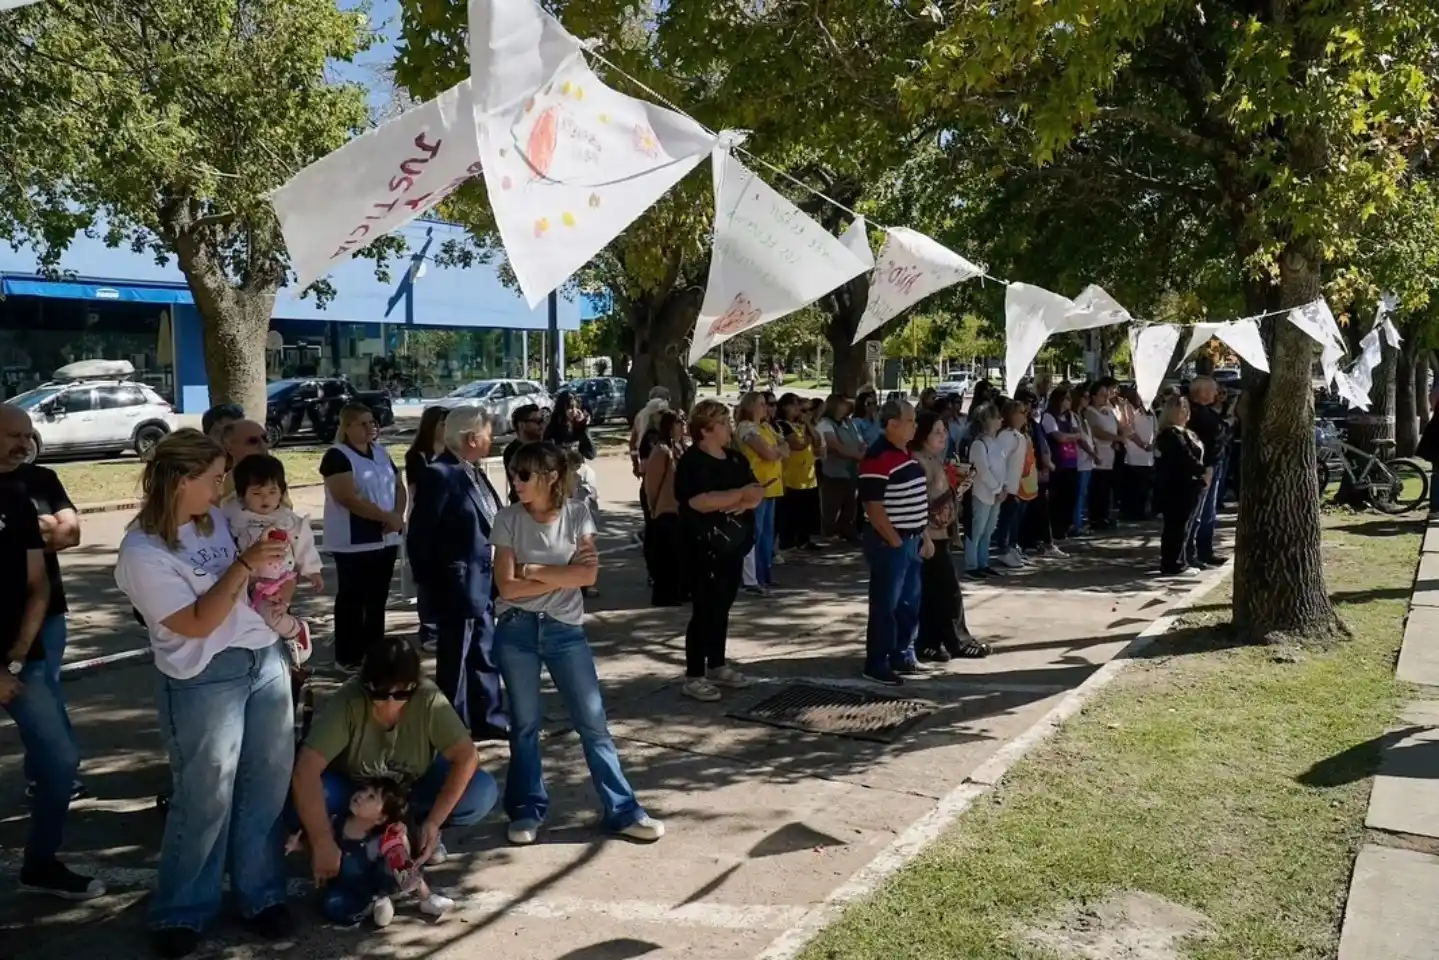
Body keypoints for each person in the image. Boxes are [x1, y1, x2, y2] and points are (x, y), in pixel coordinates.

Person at [115, 429, 294, 958]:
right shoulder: (142, 551)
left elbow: (250, 585)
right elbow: (196, 623)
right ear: (180, 480)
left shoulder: (212, 518)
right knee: (205, 795)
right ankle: (182, 910)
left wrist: (277, 584)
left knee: (265, 786)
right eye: (215, 479)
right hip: (203, 675)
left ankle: (261, 895)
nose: (222, 491)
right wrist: (244, 565)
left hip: (263, 657)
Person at [492, 441, 664, 844]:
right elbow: (506, 587)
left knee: (593, 722)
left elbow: (587, 576)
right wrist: (560, 575)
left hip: (564, 631)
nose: (515, 481)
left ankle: (623, 811)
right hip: (515, 630)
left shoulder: (577, 514)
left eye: (524, 474)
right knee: (524, 726)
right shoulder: (506, 518)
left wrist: (532, 569)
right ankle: (526, 810)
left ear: (551, 477)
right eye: (513, 473)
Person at [289, 636, 497, 901]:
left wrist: (435, 821)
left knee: (480, 791)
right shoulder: (348, 701)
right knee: (300, 799)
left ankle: (416, 833)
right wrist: (322, 842)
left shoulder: (428, 697)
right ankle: (345, 839)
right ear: (365, 684)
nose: (390, 703)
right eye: (379, 693)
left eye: (401, 694)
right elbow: (306, 769)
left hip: (408, 792)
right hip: (356, 793)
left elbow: (466, 756)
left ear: (415, 685)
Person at [0, 441, 102, 902]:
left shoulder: (18, 498)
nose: (22, 444)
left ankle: (40, 863)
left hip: (22, 659)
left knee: (60, 763)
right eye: (10, 434)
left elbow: (38, 585)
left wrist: (15, 660)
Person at [0, 403, 87, 803]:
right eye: (13, 436)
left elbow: (71, 534)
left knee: (45, 694)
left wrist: (21, 538)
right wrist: (37, 533)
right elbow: (54, 532)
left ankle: (50, 776)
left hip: (46, 611)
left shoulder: (42, 479)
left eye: (28, 436)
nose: (24, 444)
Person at [407, 406, 509, 742]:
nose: (492, 439)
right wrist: (432, 586)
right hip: (456, 585)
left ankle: (488, 719)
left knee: (484, 651)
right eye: (488, 434)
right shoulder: (440, 474)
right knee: (456, 660)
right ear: (471, 438)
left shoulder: (473, 471)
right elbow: (420, 536)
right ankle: (453, 728)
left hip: (482, 581)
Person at [674, 400, 761, 702]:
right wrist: (737, 496)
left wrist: (743, 500)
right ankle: (694, 675)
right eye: (722, 423)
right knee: (705, 609)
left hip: (733, 544)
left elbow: (757, 490)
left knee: (723, 605)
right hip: (702, 546)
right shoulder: (692, 462)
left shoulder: (735, 458)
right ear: (706, 430)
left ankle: (717, 664)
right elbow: (700, 501)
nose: (728, 428)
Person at [321, 402, 406, 671]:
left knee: (377, 600)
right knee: (353, 601)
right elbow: (347, 497)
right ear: (347, 427)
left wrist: (397, 515)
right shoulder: (337, 456)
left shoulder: (380, 452)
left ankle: (374, 654)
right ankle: (348, 656)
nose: (371, 428)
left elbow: (398, 485)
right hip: (354, 541)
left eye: (373, 422)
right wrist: (386, 517)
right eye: (363, 423)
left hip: (386, 538)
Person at [857, 399, 930, 685]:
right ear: (892, 424)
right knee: (886, 604)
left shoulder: (905, 452)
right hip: (890, 542)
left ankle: (901, 653)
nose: (915, 425)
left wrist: (922, 535)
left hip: (911, 538)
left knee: (909, 602)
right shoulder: (878, 456)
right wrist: (894, 540)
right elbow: (872, 505)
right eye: (910, 420)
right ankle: (877, 662)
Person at [910, 411, 988, 661]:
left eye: (944, 430)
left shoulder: (934, 458)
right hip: (928, 536)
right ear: (923, 434)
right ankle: (956, 641)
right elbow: (918, 503)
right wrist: (924, 535)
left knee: (935, 591)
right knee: (946, 590)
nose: (943, 436)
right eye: (937, 431)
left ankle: (930, 642)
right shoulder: (918, 461)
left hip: (941, 534)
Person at [405, 405, 449, 652]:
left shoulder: (453, 453)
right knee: (427, 579)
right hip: (425, 525)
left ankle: (446, 626)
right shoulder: (417, 456)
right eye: (443, 423)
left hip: (450, 525)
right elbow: (415, 493)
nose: (447, 428)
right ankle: (430, 630)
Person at [735, 392, 784, 594]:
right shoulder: (747, 428)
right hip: (757, 485)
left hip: (772, 485)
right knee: (755, 533)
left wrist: (777, 450)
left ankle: (764, 574)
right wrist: (776, 451)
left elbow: (785, 448)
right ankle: (751, 578)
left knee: (767, 534)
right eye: (762, 404)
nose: (766, 408)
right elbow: (768, 453)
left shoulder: (767, 427)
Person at [1154, 395, 1208, 574]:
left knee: (1185, 525)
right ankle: (1173, 564)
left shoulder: (1187, 432)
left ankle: (1180, 559)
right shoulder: (1170, 434)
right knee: (1177, 525)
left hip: (1191, 484)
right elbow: (1183, 456)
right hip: (1178, 486)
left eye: (1186, 408)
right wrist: (1202, 470)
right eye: (1180, 408)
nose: (1185, 412)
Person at [643, 410, 688, 607]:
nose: (683, 425)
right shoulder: (661, 450)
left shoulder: (679, 447)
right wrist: (654, 508)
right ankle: (664, 594)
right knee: (665, 557)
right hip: (665, 510)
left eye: (684, 421)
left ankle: (679, 591)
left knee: (679, 555)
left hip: (680, 509)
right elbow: (652, 484)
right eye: (679, 422)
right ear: (669, 426)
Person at [1185, 376, 1230, 567]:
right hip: (1204, 467)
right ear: (1202, 392)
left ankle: (1205, 551)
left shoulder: (1208, 411)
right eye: (1213, 390)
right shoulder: (1193, 412)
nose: (1216, 393)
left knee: (1209, 512)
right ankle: (1190, 553)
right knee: (1197, 512)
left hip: (1215, 464)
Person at [775, 393, 822, 554]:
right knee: (791, 510)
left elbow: (817, 441)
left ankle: (804, 539)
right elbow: (799, 445)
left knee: (807, 510)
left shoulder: (801, 425)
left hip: (808, 474)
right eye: (793, 405)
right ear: (784, 407)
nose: (797, 409)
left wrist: (808, 424)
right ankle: (788, 541)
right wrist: (809, 428)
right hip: (792, 475)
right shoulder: (782, 425)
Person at [965, 403, 1005, 578]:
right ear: (987, 420)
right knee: (977, 529)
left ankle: (983, 562)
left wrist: (1002, 488)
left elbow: (1001, 467)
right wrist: (997, 488)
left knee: (988, 530)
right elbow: (983, 470)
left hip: (996, 494)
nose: (1001, 420)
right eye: (997, 417)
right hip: (982, 493)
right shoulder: (978, 444)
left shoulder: (995, 442)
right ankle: (971, 564)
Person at [816, 394, 863, 541]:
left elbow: (860, 441)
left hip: (851, 470)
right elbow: (834, 445)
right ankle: (829, 532)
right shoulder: (825, 423)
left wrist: (862, 451)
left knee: (850, 504)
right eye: (843, 404)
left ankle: (847, 530)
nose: (847, 407)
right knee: (831, 504)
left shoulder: (849, 422)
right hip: (834, 471)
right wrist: (856, 455)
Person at [991, 399, 1032, 568]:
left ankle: (1012, 547)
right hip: (1006, 486)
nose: (1024, 415)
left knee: (1014, 519)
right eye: (1020, 412)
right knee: (1006, 520)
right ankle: (1003, 550)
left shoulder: (1018, 436)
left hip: (1016, 486)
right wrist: (1004, 484)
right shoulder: (1007, 436)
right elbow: (999, 459)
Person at [1041, 387, 1081, 544]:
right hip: (1058, 463)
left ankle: (1065, 527)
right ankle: (1056, 529)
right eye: (1067, 398)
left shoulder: (1070, 416)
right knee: (1058, 498)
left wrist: (1071, 436)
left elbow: (1079, 433)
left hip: (1072, 461)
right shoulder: (1048, 417)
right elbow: (1059, 437)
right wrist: (1073, 436)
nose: (1070, 402)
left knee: (1070, 496)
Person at [1084, 379, 1122, 530]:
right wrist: (1117, 438)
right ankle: (1096, 518)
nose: (1106, 398)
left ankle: (1105, 516)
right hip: (1097, 455)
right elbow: (1097, 431)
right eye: (1102, 395)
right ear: (1093, 396)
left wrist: (1118, 439)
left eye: (1107, 395)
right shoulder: (1090, 412)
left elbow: (1118, 427)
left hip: (1110, 455)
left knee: (1106, 489)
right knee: (1098, 489)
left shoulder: (1108, 411)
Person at [1120, 386, 1157, 521]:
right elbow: (1128, 429)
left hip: (1148, 455)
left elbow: (1155, 428)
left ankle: (1142, 510)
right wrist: (1142, 444)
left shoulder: (1149, 410)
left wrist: (1153, 443)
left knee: (1145, 485)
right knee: (1134, 484)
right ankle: (1130, 512)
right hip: (1134, 452)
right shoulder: (1128, 408)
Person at [1070, 383, 1098, 535]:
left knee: (1083, 493)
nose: (1088, 400)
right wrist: (1092, 453)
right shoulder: (1073, 416)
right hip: (1080, 460)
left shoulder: (1083, 416)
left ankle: (1079, 522)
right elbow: (1080, 439)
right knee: (1078, 494)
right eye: (1085, 397)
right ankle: (1076, 524)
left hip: (1087, 461)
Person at [544, 390, 598, 460]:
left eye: (576, 407)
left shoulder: (578, 426)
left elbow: (591, 454)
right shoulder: (553, 426)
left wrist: (584, 427)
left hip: (577, 464)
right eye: (570, 408)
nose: (574, 411)